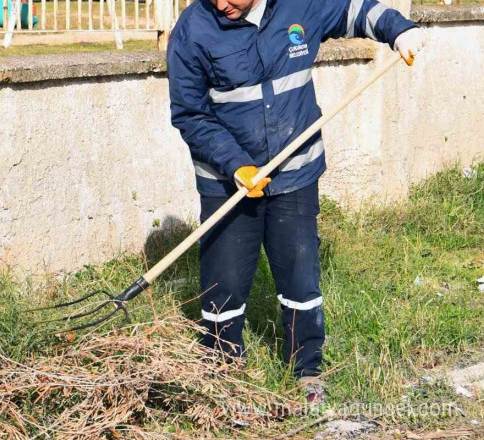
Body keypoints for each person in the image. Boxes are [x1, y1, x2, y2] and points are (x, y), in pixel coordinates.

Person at [166, 0, 426, 403]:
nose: (221, 4)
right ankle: (221, 371)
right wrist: (236, 165)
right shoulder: (192, 28)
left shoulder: (299, 6)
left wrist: (398, 29)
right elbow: (189, 113)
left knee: (300, 278)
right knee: (224, 283)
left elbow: (353, 11)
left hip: (295, 175)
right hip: (227, 183)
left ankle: (306, 370)